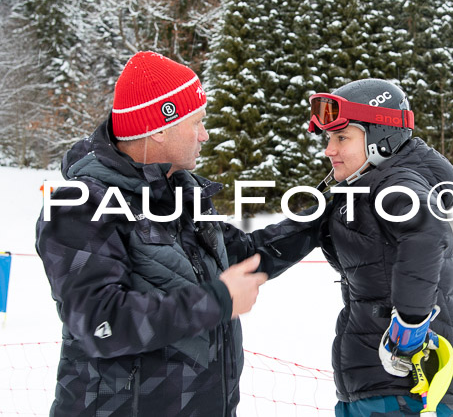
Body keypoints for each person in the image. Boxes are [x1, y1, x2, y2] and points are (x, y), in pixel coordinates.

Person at [35, 51, 320, 416]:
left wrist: (320, 215)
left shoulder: (182, 195)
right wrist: (216, 301)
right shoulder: (80, 205)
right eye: (196, 122)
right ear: (159, 128)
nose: (204, 134)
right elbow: (99, 322)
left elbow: (245, 253)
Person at [307, 79, 453, 416]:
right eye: (329, 139)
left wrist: (409, 327)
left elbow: (426, 236)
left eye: (342, 138)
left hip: (406, 391)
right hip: (370, 385)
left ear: (381, 138)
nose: (329, 150)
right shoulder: (363, 185)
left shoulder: (397, 183)